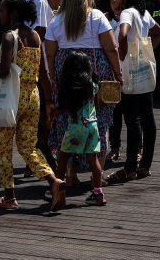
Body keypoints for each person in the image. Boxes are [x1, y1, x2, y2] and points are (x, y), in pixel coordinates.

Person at [0, 0, 65, 210]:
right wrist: (50, 101)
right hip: (33, 96)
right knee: (28, 147)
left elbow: (4, 71)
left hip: (12, 97)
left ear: (12, 13)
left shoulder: (9, 37)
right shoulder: (34, 37)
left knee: (3, 148)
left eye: (2, 10)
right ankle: (54, 181)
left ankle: (9, 197)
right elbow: (42, 72)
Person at [45, 0, 122, 186]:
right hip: (95, 71)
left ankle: (70, 174)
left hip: (66, 72)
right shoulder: (96, 16)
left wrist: (53, 75)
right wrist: (118, 73)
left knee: (67, 121)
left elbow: (50, 53)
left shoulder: (57, 20)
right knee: (99, 120)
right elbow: (111, 48)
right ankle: (98, 176)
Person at [109, 0, 160, 182]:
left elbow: (122, 35)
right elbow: (159, 33)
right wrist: (145, 52)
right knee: (148, 118)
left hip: (129, 74)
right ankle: (145, 165)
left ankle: (130, 168)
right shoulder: (144, 13)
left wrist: (120, 60)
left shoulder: (127, 13)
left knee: (132, 120)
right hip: (144, 71)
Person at [25, 0, 66, 173]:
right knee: (44, 114)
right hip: (39, 65)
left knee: (36, 115)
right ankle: (45, 159)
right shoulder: (40, 0)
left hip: (28, 65)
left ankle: (31, 159)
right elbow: (39, 35)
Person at [55, 51, 105, 206]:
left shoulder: (71, 87)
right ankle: (98, 193)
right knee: (93, 159)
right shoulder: (93, 85)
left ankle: (58, 188)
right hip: (92, 125)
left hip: (76, 126)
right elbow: (96, 104)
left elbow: (64, 107)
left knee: (63, 156)